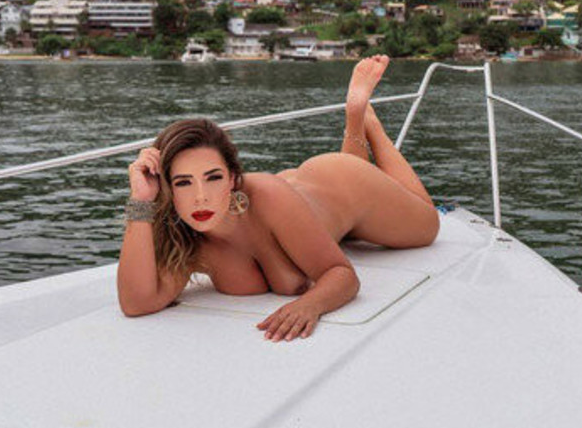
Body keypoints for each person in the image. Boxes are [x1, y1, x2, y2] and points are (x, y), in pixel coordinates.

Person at [117, 55, 439, 342]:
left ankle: (364, 120)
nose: (200, 198)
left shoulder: (266, 195)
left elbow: (343, 276)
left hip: (343, 182)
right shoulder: (186, 240)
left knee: (428, 226)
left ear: (233, 178)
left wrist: (310, 305)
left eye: (213, 178)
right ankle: (356, 127)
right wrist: (141, 200)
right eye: (183, 183)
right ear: (168, 188)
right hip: (309, 201)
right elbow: (137, 303)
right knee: (349, 233)